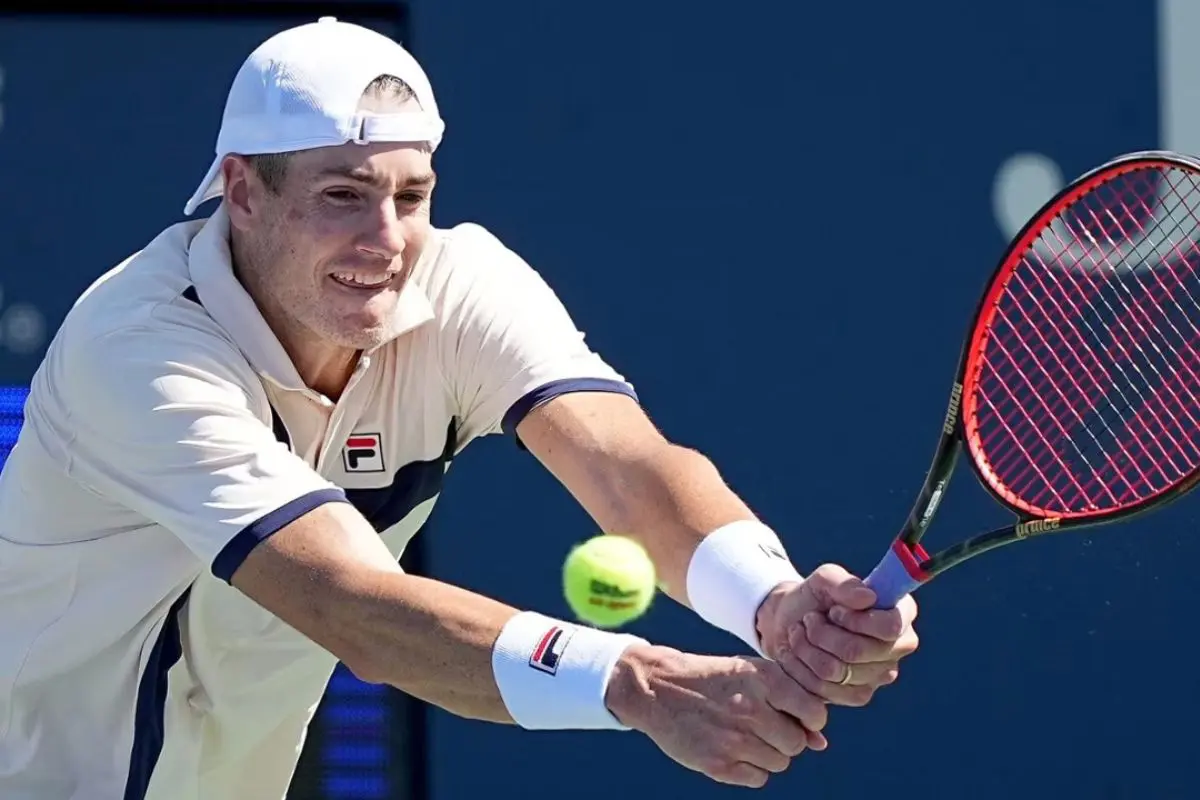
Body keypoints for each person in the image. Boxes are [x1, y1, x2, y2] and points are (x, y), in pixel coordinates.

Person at [0, 17, 919, 799]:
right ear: (242, 191)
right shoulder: (139, 349)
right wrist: (635, 681)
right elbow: (354, 606)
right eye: (342, 196)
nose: (388, 240)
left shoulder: (460, 280)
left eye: (412, 196)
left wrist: (774, 601)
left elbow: (627, 469)